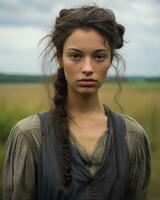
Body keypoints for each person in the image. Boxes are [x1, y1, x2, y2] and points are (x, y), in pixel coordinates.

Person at [3, 5, 151, 200]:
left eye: (99, 56)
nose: (88, 68)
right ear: (60, 58)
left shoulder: (132, 136)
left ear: (110, 60)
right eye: (76, 56)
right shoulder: (29, 136)